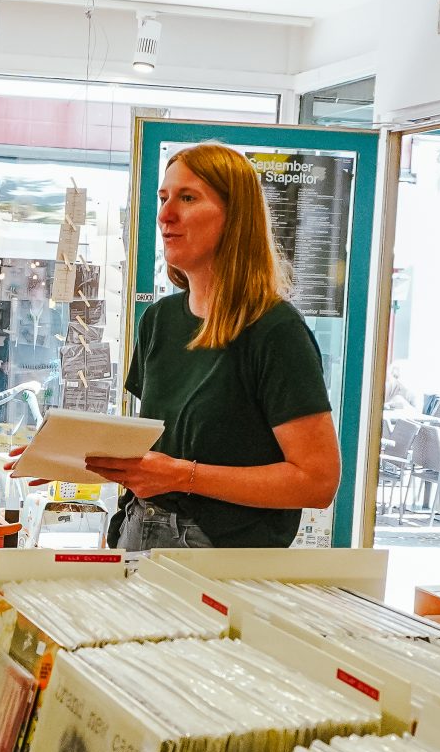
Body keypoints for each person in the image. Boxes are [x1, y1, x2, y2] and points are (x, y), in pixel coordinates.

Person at [87, 143, 341, 549]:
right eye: (164, 197)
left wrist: (183, 476)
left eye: (188, 198)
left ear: (236, 219)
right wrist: (70, 454)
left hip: (219, 554)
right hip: (137, 530)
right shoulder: (159, 320)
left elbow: (317, 482)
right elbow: (155, 450)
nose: (166, 215)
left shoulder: (275, 329)